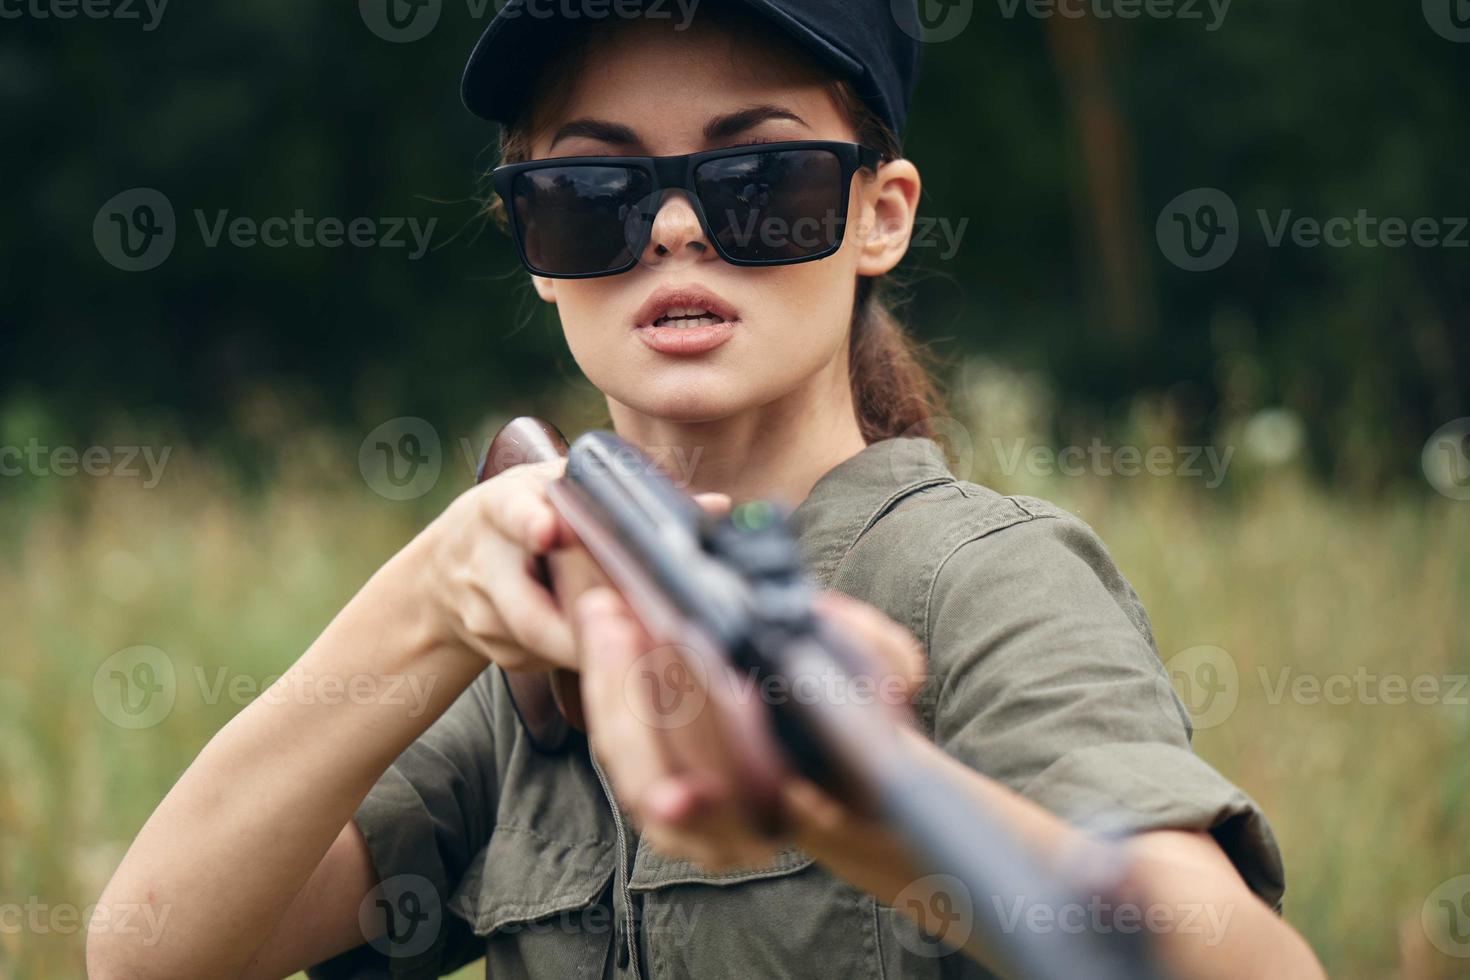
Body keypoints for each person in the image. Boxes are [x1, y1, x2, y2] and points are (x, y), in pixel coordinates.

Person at [88, 2, 1325, 977]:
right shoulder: (533, 648)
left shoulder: (988, 581)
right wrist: (429, 594)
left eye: (762, 183)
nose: (676, 228)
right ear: (530, 244)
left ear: (879, 215)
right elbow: (151, 951)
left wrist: (841, 795)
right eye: (592, 195)